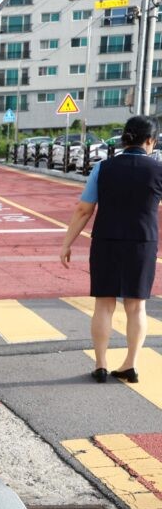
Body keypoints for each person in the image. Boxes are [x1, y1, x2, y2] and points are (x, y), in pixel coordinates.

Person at [61, 115, 162, 383]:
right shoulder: (158, 170)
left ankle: (101, 364)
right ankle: (130, 364)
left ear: (124, 139)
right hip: (143, 243)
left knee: (104, 305)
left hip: (106, 241)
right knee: (136, 306)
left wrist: (67, 243)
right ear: (150, 140)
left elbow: (84, 209)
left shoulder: (103, 168)